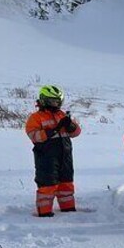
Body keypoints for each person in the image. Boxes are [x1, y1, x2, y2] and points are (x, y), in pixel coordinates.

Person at [24, 85, 81, 217]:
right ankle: (44, 212)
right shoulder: (36, 117)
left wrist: (70, 125)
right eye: (53, 101)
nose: (56, 104)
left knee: (66, 183)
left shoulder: (62, 114)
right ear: (45, 100)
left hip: (65, 155)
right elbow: (34, 135)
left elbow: (76, 132)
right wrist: (53, 130)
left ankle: (68, 209)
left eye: (58, 101)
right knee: (47, 184)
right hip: (46, 156)